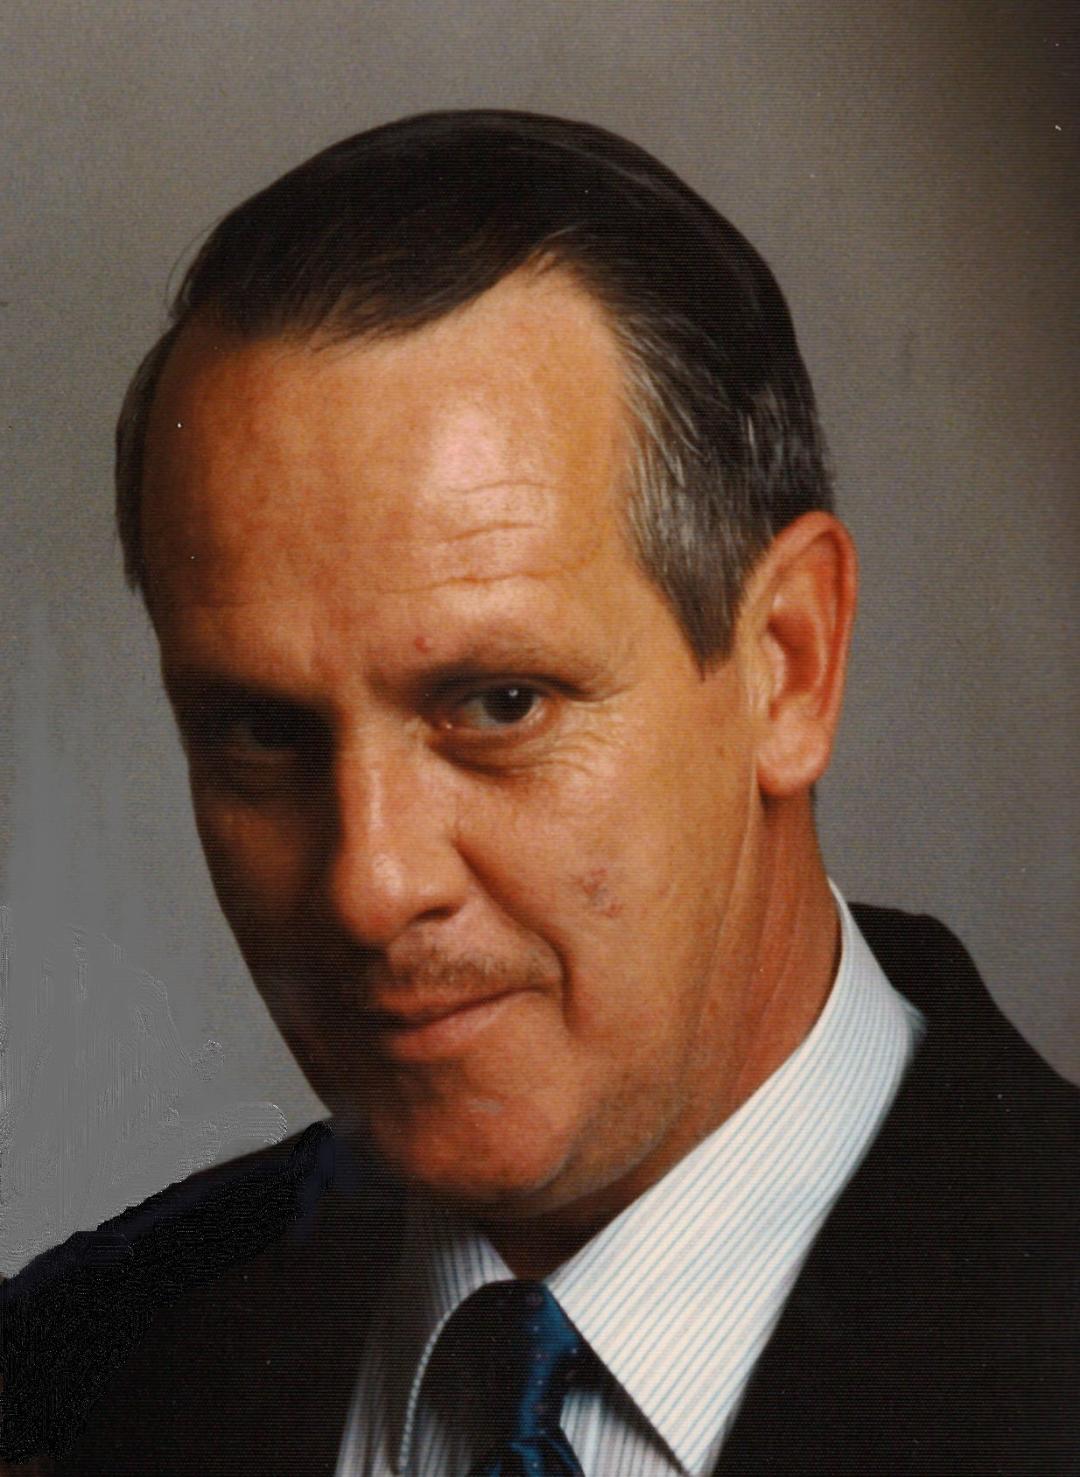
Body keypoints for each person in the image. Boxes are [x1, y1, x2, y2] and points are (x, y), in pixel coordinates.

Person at [2, 110, 1076, 1477]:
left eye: (499, 704)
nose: (371, 884)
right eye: (262, 734)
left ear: (788, 664)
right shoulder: (66, 1383)